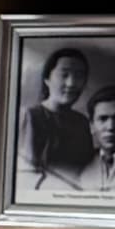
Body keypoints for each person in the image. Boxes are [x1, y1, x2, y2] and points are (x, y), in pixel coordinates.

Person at [23, 45, 93, 186]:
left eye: (79, 76)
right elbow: (27, 172)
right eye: (64, 75)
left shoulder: (82, 122)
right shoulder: (30, 116)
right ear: (47, 79)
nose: (71, 83)